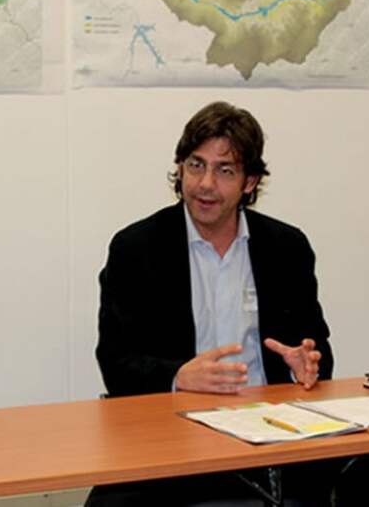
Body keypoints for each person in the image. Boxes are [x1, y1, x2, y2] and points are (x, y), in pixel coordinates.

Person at [89, 101, 334, 505]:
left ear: (250, 181)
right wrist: (178, 376)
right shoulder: (137, 248)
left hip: (267, 437)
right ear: (180, 169)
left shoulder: (285, 247)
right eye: (196, 165)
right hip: (171, 435)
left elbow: (316, 350)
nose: (205, 184)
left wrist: (305, 362)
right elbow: (115, 362)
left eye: (225, 170)